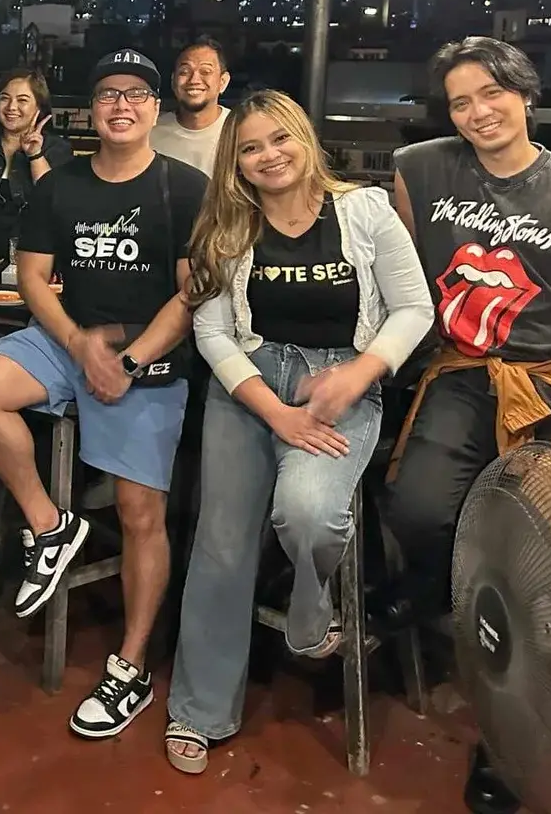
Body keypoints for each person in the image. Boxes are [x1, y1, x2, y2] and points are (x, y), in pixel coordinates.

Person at [384, 37, 551, 814]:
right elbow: (397, 269)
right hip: (461, 372)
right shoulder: (421, 168)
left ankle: (507, 745)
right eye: (460, 101)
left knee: (532, 560)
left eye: (492, 93)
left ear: (525, 96)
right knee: (418, 508)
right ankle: (436, 594)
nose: (478, 112)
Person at [164, 90, 431, 775]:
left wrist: (360, 374)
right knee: (222, 544)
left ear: (305, 138)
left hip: (339, 381)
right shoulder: (227, 227)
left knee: (309, 512)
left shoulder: (365, 211)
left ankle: (311, 610)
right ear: (236, 163)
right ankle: (200, 709)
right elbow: (213, 332)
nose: (269, 156)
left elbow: (413, 308)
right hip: (250, 383)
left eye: (280, 138)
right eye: (251, 148)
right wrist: (273, 410)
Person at [0, 49, 207, 740]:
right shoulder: (60, 185)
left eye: (135, 94)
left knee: (139, 512)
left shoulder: (184, 187)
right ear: (89, 110)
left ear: (154, 108)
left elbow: (191, 295)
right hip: (70, 340)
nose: (121, 106)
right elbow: (32, 277)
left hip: (147, 350)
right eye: (107, 95)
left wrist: (125, 359)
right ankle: (51, 526)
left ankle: (131, 665)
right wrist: (77, 345)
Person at [0, 69, 73, 258]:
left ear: (39, 106)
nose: (11, 107)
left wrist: (35, 155)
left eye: (22, 100)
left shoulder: (58, 148)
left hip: (37, 253)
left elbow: (54, 200)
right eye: (4, 98)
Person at [149, 37, 231, 175]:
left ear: (223, 82)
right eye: (184, 72)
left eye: (205, 72)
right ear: (173, 81)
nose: (194, 80)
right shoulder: (150, 132)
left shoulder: (240, 129)